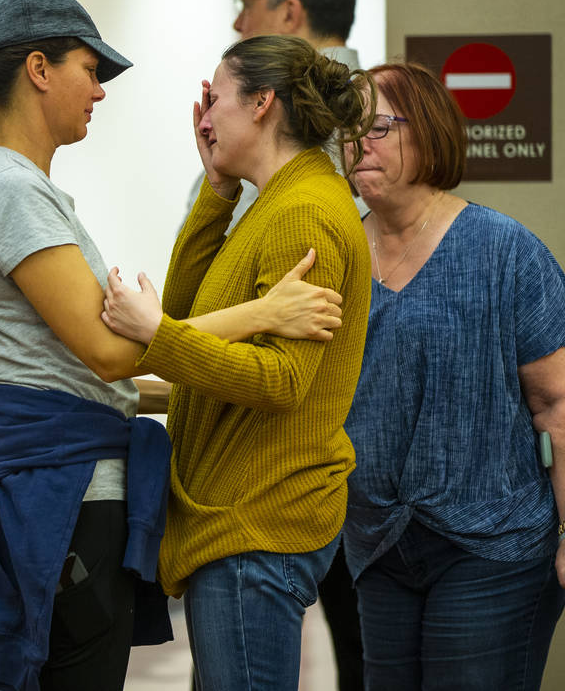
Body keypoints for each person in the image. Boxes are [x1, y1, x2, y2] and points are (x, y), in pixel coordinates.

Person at [0, 0, 347, 691]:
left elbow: (100, 368)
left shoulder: (14, 187)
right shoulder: (12, 191)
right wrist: (262, 315)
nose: (101, 92)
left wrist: (163, 365)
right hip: (63, 495)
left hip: (61, 484)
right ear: (39, 70)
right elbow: (111, 350)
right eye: (91, 70)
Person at [102, 34, 375, 691]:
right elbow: (193, 308)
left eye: (215, 99)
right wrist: (216, 191)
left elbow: (282, 380)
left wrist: (156, 338)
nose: (203, 117)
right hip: (239, 519)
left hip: (256, 523)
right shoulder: (274, 202)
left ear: (262, 103)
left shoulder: (301, 212)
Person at [341, 62, 565, 691]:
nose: (357, 143)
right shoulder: (340, 254)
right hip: (378, 545)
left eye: (377, 126)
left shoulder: (505, 250)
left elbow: (562, 405)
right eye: (348, 130)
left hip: (493, 547)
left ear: (428, 133)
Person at [187, 0, 368, 237]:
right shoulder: (380, 106)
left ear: (289, 12)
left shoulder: (293, 112)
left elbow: (235, 243)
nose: (238, 23)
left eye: (246, 4)